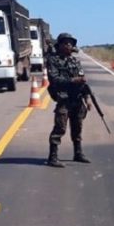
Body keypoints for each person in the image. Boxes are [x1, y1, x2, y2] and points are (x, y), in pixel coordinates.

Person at [46, 32, 92, 168]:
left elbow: (82, 82)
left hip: (77, 99)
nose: (68, 45)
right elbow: (54, 80)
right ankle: (52, 157)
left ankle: (78, 153)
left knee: (77, 127)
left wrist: (87, 98)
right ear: (59, 45)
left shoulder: (74, 61)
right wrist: (73, 80)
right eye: (65, 43)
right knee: (60, 128)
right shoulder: (53, 60)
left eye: (70, 43)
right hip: (64, 98)